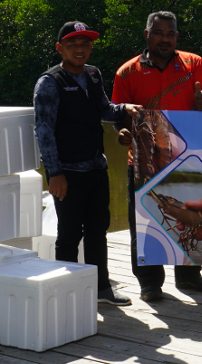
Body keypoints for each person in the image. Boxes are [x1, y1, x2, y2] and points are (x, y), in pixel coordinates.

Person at [112, 11, 202, 303]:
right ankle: (150, 282)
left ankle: (189, 275)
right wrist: (122, 133)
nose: (165, 39)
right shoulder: (127, 72)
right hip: (143, 160)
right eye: (159, 33)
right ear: (147, 34)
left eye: (171, 34)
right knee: (145, 222)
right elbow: (118, 115)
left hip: (187, 157)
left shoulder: (194, 63)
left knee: (193, 214)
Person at [33, 21, 141, 307]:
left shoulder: (93, 75)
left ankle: (101, 288)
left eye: (85, 44)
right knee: (69, 234)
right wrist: (54, 174)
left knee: (98, 229)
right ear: (60, 48)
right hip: (67, 172)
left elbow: (104, 109)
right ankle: (68, 293)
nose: (80, 50)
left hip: (97, 168)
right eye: (73, 45)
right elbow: (43, 131)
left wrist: (124, 109)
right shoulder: (49, 83)